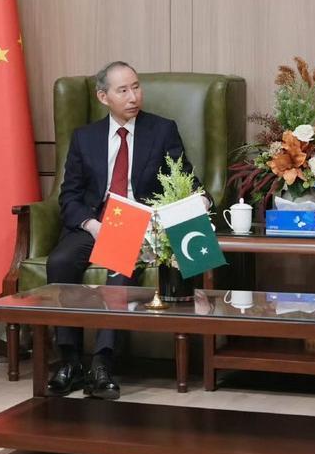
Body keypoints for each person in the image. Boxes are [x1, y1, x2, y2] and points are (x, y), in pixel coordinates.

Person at [46, 61, 201, 400]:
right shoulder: (85, 138)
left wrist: (199, 201)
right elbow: (69, 196)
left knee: (119, 267)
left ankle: (102, 363)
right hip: (93, 222)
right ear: (103, 97)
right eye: (123, 90)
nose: (133, 96)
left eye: (136, 87)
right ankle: (69, 361)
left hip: (135, 222)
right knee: (60, 262)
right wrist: (92, 226)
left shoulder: (162, 130)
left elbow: (184, 180)